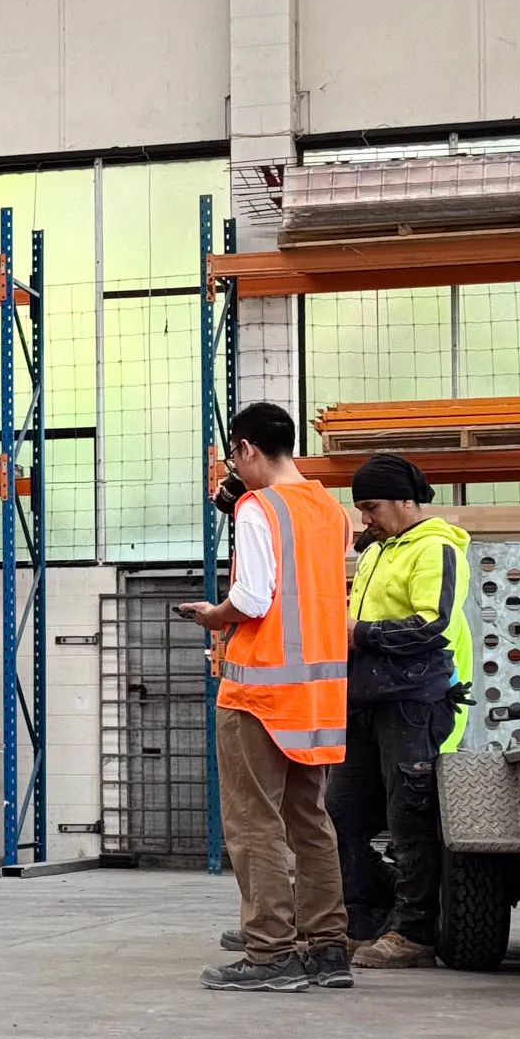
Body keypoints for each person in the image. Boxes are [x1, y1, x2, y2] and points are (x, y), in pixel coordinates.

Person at [177, 402, 352, 994]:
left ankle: (271, 952)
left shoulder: (258, 508)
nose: (234, 471)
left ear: (248, 449)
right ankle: (328, 948)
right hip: (318, 696)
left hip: (259, 694)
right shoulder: (332, 510)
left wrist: (212, 616)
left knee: (254, 825)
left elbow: (252, 600)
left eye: (234, 457)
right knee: (310, 821)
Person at [328, 453, 473, 970]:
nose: (364, 518)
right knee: (339, 812)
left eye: (371, 507)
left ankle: (413, 932)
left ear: (404, 501)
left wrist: (359, 635)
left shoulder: (435, 549)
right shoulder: (376, 553)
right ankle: (366, 918)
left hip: (413, 701)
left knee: (410, 816)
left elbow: (432, 623)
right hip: (366, 701)